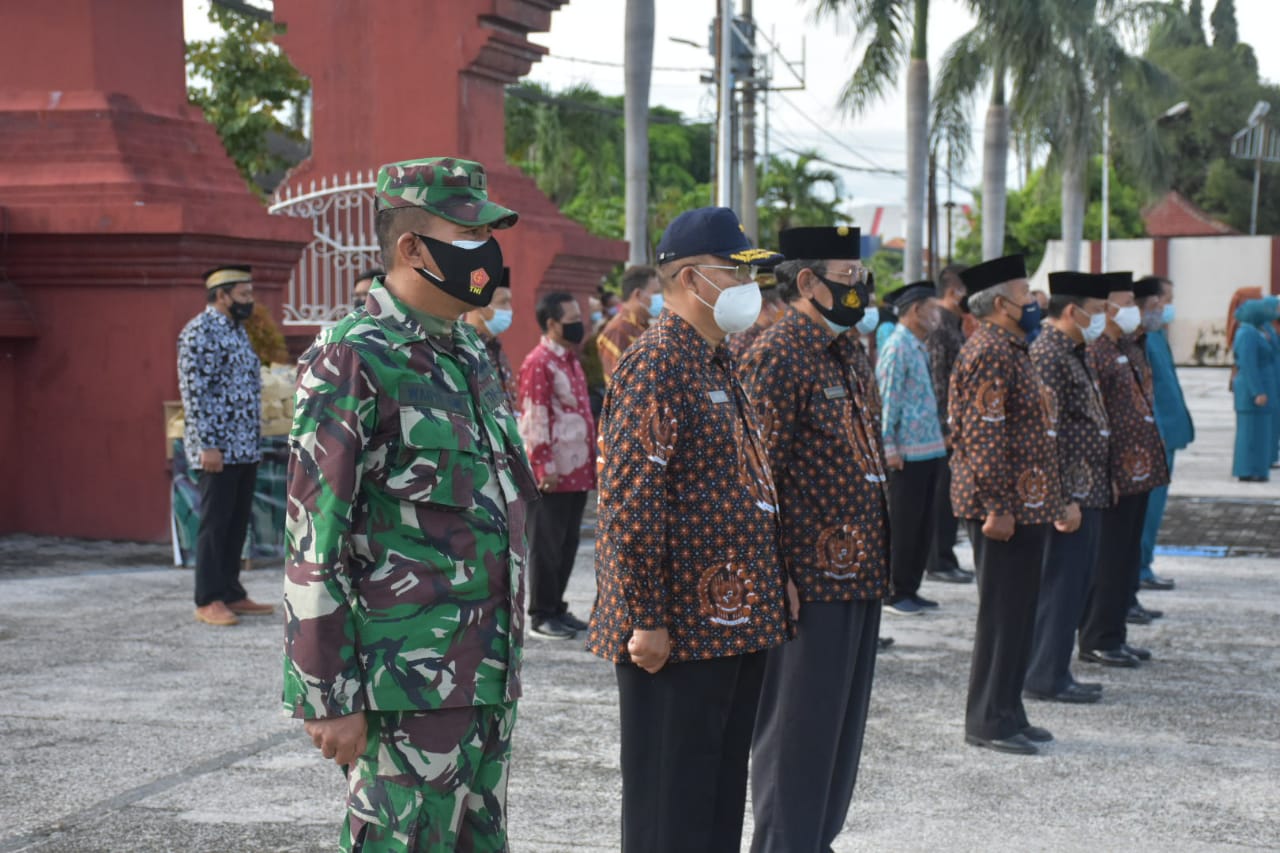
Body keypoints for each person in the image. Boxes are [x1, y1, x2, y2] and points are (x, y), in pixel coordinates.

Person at [282, 157, 539, 851]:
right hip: (403, 686)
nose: (487, 251)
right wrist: (327, 696)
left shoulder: (473, 357)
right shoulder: (354, 357)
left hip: (484, 676)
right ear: (411, 248)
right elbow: (314, 540)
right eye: (468, 234)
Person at [586, 206, 792, 853]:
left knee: (716, 793)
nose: (745, 286)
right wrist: (646, 614)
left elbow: (749, 483)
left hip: (731, 619)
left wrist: (773, 577)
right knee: (668, 803)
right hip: (674, 627)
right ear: (688, 279)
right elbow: (629, 503)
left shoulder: (718, 358)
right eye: (733, 272)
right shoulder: (656, 363)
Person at [737, 226, 889, 853]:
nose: (860, 293)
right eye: (850, 281)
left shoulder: (846, 349)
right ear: (807, 283)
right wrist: (776, 576)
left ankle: (815, 839)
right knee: (797, 732)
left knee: (838, 730)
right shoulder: (777, 353)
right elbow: (756, 476)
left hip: (859, 571)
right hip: (809, 581)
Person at [951, 254, 1070, 756]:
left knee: (1019, 612)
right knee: (1002, 615)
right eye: (1026, 296)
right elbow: (983, 436)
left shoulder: (1014, 347)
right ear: (1000, 304)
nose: (1034, 304)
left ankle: (1010, 709)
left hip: (1029, 504)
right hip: (1004, 510)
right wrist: (998, 505)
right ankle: (988, 719)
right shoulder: (988, 351)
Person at [1023, 272, 1111, 705]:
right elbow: (1046, 436)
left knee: (1074, 586)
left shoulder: (1073, 351)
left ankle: (1056, 670)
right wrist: (1063, 501)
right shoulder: (1048, 355)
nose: (1101, 320)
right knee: (1059, 587)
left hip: (1087, 490)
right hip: (1070, 497)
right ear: (1072, 311)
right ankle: (1044, 675)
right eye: (1096, 312)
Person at [1079, 272, 1169, 668]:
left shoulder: (1130, 345)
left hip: (1142, 470)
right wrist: (1105, 471)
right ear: (1107, 307)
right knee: (1108, 559)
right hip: (1115, 473)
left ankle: (1116, 633)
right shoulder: (1095, 350)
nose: (1133, 309)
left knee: (1126, 557)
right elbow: (1094, 416)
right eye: (1126, 302)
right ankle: (1098, 638)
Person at [177, 265, 274, 627]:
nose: (250, 302)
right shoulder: (198, 333)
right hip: (217, 447)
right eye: (244, 295)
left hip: (244, 445)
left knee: (236, 523)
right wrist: (208, 445)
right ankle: (208, 598)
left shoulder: (236, 331)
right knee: (215, 524)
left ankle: (232, 591)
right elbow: (195, 393)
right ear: (222, 295)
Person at [517, 292, 597, 640]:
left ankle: (558, 606)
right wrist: (542, 465)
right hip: (552, 473)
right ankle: (541, 613)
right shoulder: (539, 362)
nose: (578, 324)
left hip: (578, 470)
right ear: (551, 324)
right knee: (546, 546)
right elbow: (535, 416)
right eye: (570, 318)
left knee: (566, 545)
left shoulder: (570, 360)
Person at [877, 280, 948, 615]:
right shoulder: (897, 346)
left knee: (922, 526)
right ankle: (895, 590)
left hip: (929, 449)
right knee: (904, 526)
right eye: (933, 308)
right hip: (905, 453)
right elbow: (887, 400)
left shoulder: (919, 345)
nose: (938, 314)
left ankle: (911, 587)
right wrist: (889, 445)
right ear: (916, 310)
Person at [1135, 276, 1194, 592]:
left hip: (1167, 433)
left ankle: (1144, 564)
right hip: (1153, 436)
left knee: (1155, 509)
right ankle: (1138, 568)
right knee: (1146, 509)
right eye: (1165, 300)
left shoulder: (1156, 335)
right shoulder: (1138, 337)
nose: (1168, 307)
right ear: (1151, 302)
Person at [925, 264, 974, 584]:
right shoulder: (941, 326)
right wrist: (946, 428)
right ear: (955, 291)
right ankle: (939, 560)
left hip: (952, 425)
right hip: (944, 426)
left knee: (947, 499)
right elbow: (940, 378)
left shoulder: (954, 323)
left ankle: (946, 556)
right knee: (941, 499)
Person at [1231, 298, 1275, 482]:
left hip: (1264, 385)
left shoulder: (1259, 330)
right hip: (1252, 390)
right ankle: (1247, 469)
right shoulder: (1247, 333)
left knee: (1260, 432)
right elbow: (1248, 365)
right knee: (1250, 433)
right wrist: (1257, 391)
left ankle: (1257, 468)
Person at [462, 266, 518, 409]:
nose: (509, 309)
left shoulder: (495, 347)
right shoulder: (464, 348)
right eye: (503, 302)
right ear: (481, 306)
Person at [597, 265, 661, 383]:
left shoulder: (645, 327)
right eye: (656, 293)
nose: (661, 299)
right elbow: (618, 386)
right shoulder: (618, 331)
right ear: (638, 294)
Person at [729, 269, 785, 359]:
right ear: (766, 305)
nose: (785, 309)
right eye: (781, 303)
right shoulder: (745, 342)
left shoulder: (771, 334)